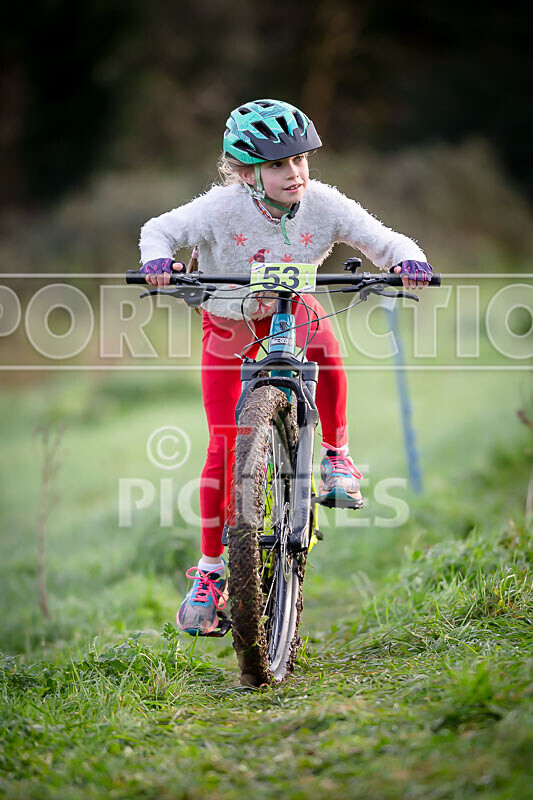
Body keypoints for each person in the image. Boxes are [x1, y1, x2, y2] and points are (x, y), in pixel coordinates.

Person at [139, 99, 432, 635]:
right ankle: (208, 573)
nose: (294, 173)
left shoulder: (323, 202)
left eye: (300, 160)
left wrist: (406, 259)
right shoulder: (219, 208)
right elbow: (158, 228)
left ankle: (338, 458)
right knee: (224, 444)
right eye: (277, 165)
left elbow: (383, 238)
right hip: (229, 322)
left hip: (294, 309)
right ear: (248, 172)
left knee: (328, 350)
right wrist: (157, 262)